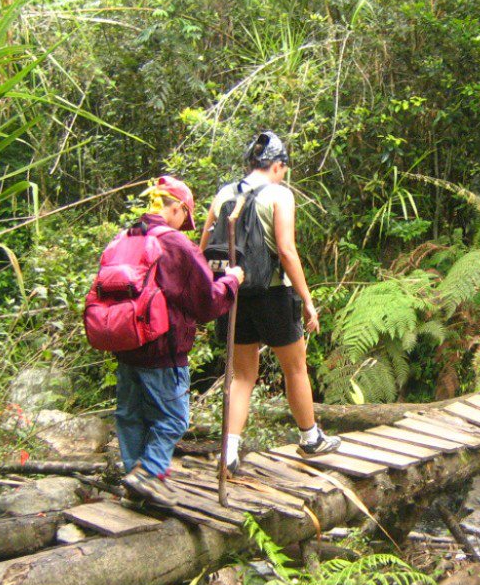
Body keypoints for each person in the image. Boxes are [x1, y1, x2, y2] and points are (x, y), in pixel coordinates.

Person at [200, 131, 340, 473]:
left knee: (242, 376)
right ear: (278, 166)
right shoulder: (280, 195)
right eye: (284, 168)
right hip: (274, 292)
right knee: (295, 367)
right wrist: (307, 300)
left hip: (234, 292)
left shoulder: (223, 194)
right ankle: (310, 439)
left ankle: (228, 453)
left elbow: (203, 246)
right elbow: (287, 251)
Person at [116, 176, 244, 506]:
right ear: (176, 208)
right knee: (173, 418)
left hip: (125, 345)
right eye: (183, 218)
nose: (184, 226)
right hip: (163, 348)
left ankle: (136, 482)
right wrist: (231, 281)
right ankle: (149, 473)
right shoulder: (175, 244)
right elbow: (207, 303)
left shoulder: (125, 238)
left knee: (131, 416)